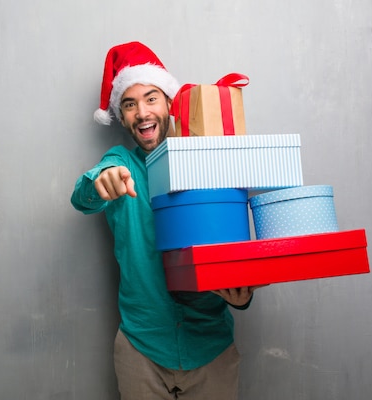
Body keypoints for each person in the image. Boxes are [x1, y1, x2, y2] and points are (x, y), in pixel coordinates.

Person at [70, 42, 264, 400]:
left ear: (170, 103)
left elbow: (233, 239)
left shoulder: (209, 160)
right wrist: (103, 181)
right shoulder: (121, 162)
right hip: (142, 350)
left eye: (150, 98)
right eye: (129, 104)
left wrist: (241, 295)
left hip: (211, 349)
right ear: (122, 116)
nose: (141, 112)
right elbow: (83, 195)